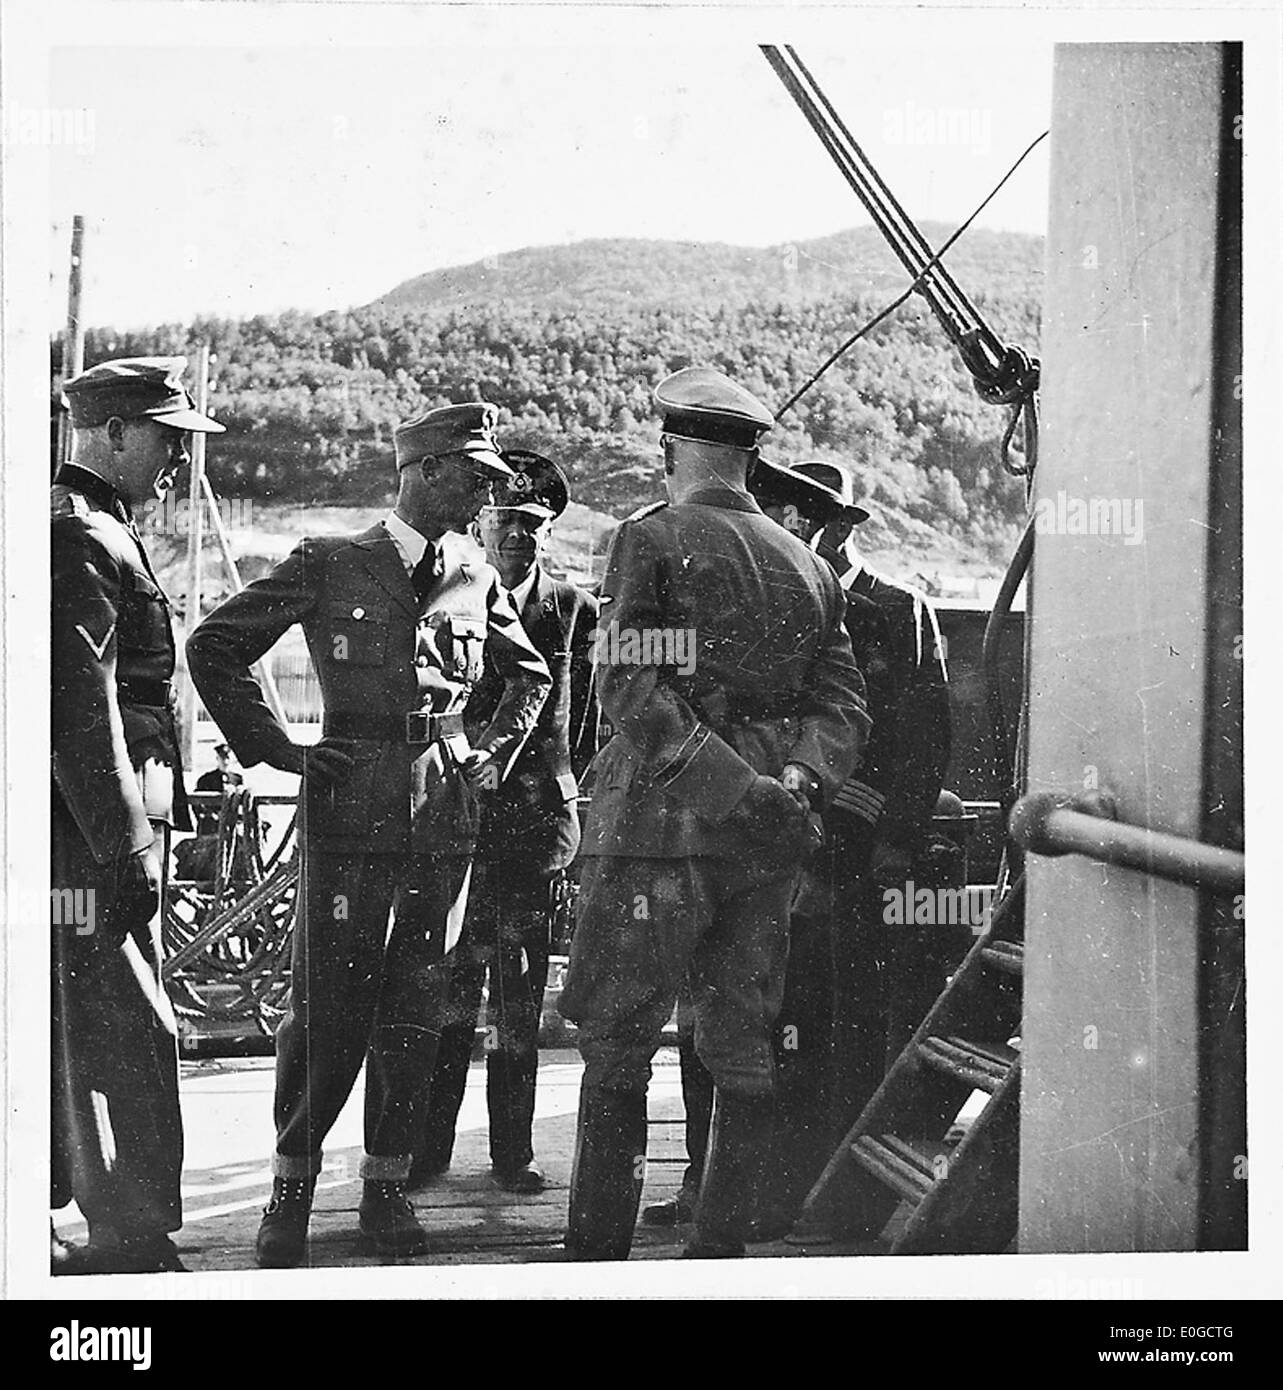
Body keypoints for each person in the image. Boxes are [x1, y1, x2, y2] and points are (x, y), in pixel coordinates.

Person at [187, 403, 551, 1267]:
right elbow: (214, 646)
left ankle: (385, 1187)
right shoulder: (329, 561)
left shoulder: (472, 570)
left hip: (442, 824)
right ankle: (291, 1191)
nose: (485, 497)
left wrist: (485, 754)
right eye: (474, 478)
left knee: (416, 1005)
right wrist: (280, 749)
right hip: (348, 816)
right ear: (425, 471)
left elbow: (526, 676)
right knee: (325, 1006)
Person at [557, 367, 869, 1260]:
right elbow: (841, 702)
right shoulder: (808, 563)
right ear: (748, 460)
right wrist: (792, 788)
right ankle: (718, 1255)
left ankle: (593, 1258)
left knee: (617, 1039)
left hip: (659, 832)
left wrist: (730, 791)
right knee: (740, 1041)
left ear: (671, 452)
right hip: (767, 840)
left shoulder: (649, 540)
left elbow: (628, 683)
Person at [51, 356, 224, 1274]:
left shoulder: (101, 528)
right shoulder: (78, 535)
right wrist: (126, 847)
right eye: (166, 440)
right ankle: (129, 1231)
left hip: (97, 832)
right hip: (87, 844)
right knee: (124, 1027)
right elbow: (83, 711)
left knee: (85, 1026)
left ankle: (104, 1217)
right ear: (113, 432)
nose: (176, 461)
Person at [412, 449, 599, 1194]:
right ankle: (429, 1150)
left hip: (535, 829)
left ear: (547, 531)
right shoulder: (454, 596)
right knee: (451, 990)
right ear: (481, 527)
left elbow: (587, 721)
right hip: (463, 819)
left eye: (533, 524)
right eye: (506, 522)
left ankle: (511, 1155)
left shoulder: (577, 611)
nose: (519, 536)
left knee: (518, 999)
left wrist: (559, 788)